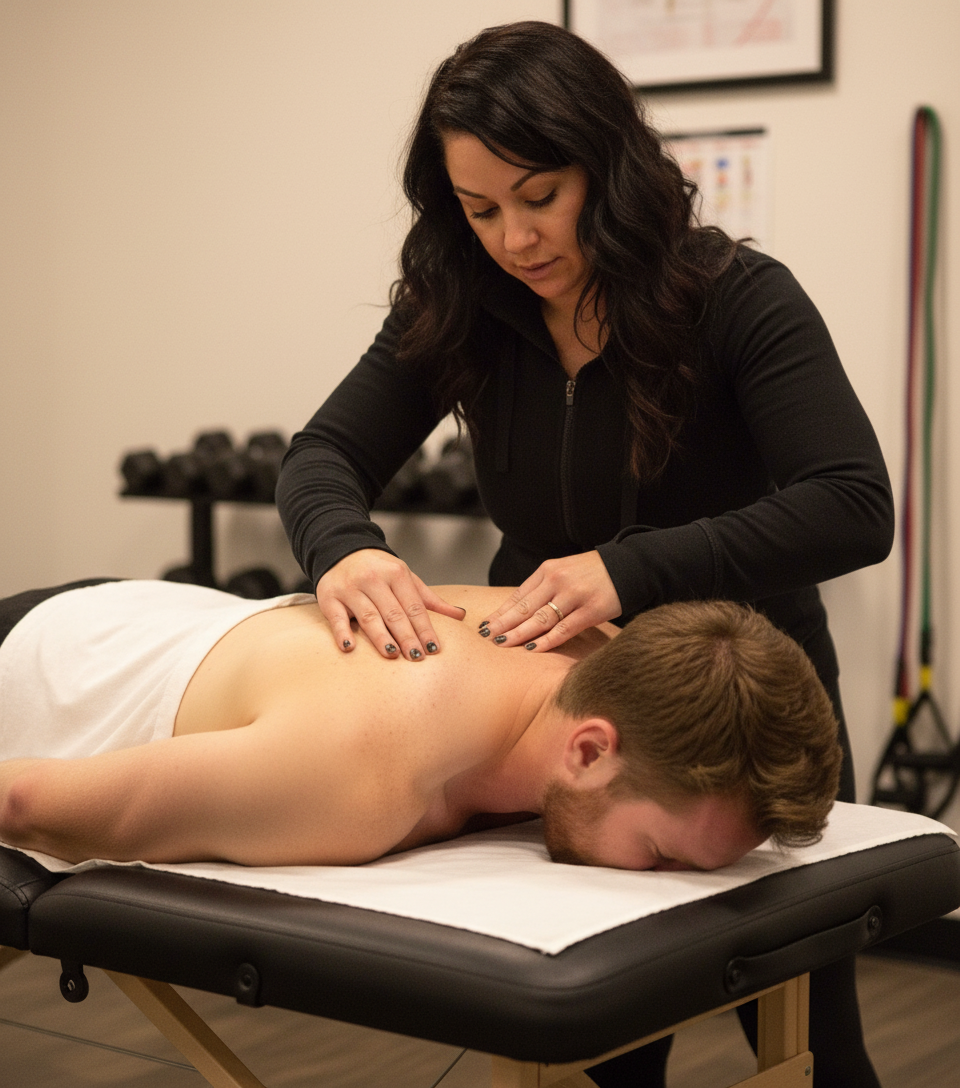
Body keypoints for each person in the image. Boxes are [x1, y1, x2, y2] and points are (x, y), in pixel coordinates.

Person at [275, 21, 893, 1087]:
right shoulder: (460, 307)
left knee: (806, 1041)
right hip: (566, 708)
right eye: (480, 210)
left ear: (604, 166)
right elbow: (324, 451)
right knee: (607, 1043)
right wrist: (342, 550)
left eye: (539, 194)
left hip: (733, 697)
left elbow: (853, 504)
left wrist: (628, 566)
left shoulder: (736, 297)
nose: (514, 237)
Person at [0, 579, 840, 871]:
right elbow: (25, 802)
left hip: (175, 621)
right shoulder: (359, 774)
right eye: (658, 856)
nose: (662, 884)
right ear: (589, 750)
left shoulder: (608, 655)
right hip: (41, 658)